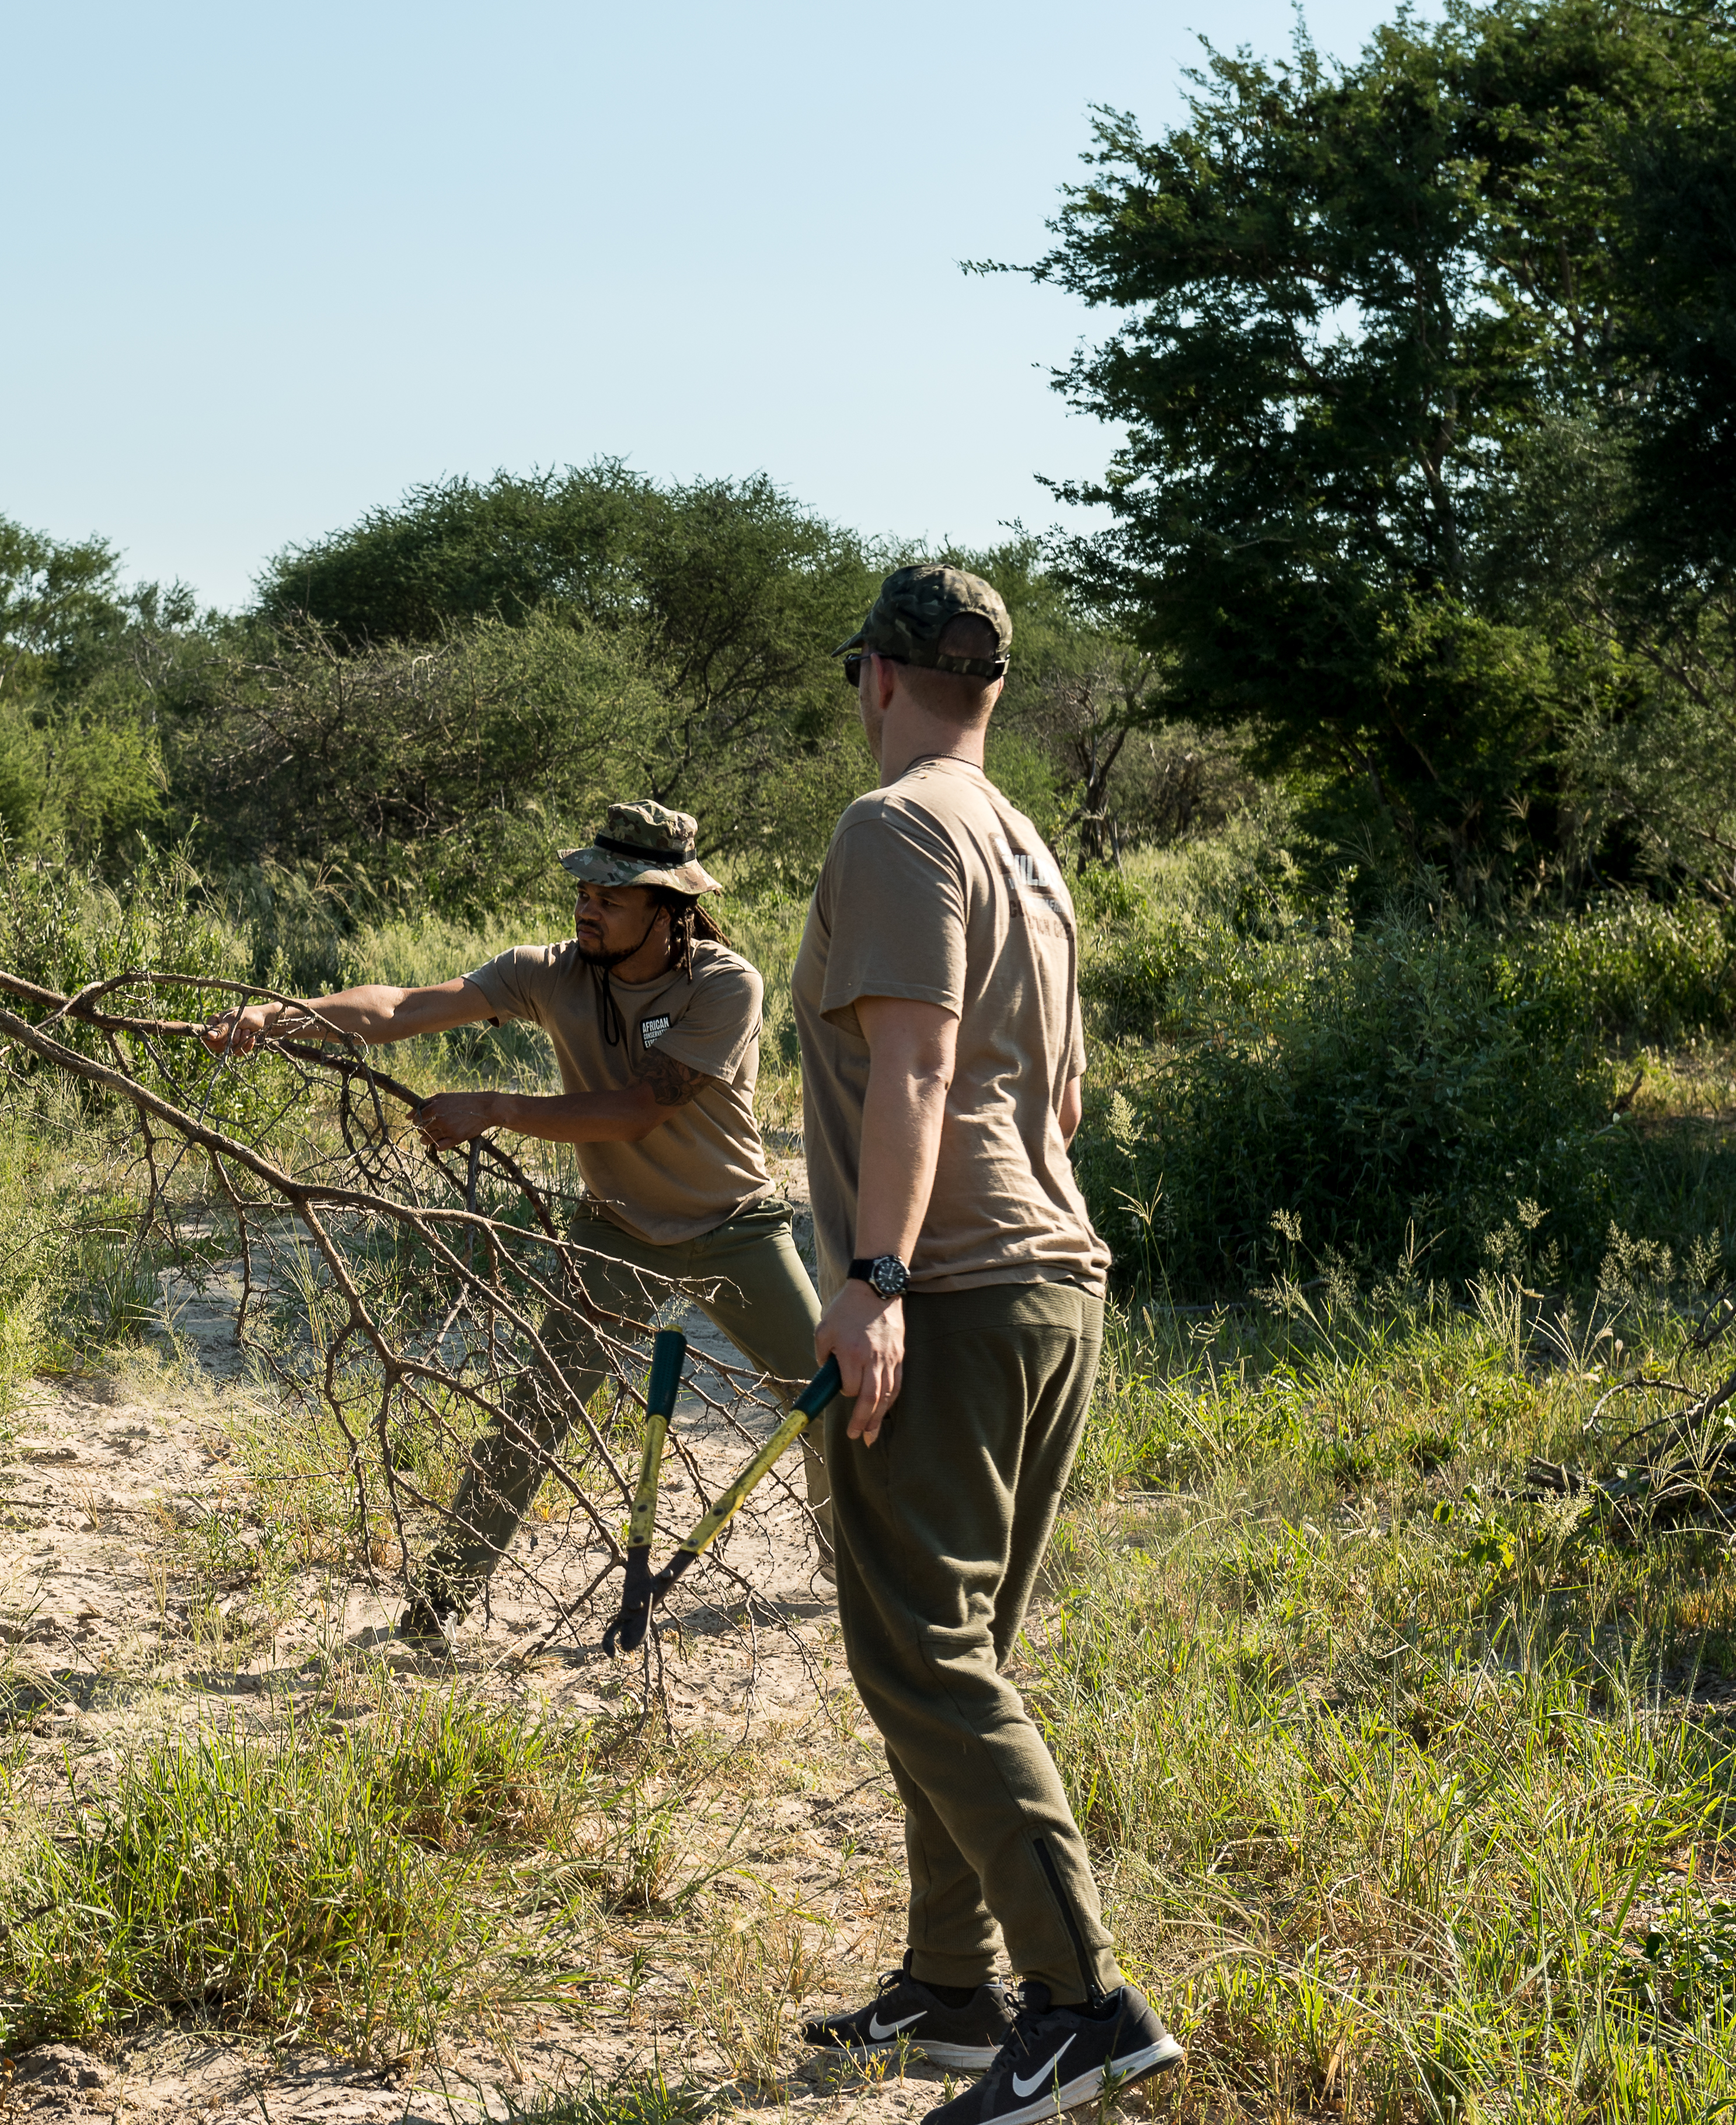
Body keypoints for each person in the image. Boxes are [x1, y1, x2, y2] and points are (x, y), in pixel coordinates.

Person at [788, 567, 1179, 2120]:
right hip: (1051, 1285)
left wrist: (871, 1276)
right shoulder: (1026, 844)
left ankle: (1077, 2002)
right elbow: (1060, 1099)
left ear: (875, 677)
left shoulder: (891, 825)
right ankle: (949, 1988)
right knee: (961, 1665)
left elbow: (919, 1062)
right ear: (992, 688)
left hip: (946, 1290)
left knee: (925, 1658)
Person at [199, 799, 826, 1636]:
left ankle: (862, 1563)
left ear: (668, 908)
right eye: (586, 890)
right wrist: (274, 1018)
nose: (587, 907)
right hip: (615, 1230)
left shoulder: (723, 983)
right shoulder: (550, 971)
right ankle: (438, 1602)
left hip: (734, 1225)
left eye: (612, 895)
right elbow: (399, 1009)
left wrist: (495, 1105)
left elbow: (642, 1108)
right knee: (534, 1414)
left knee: (830, 1396)